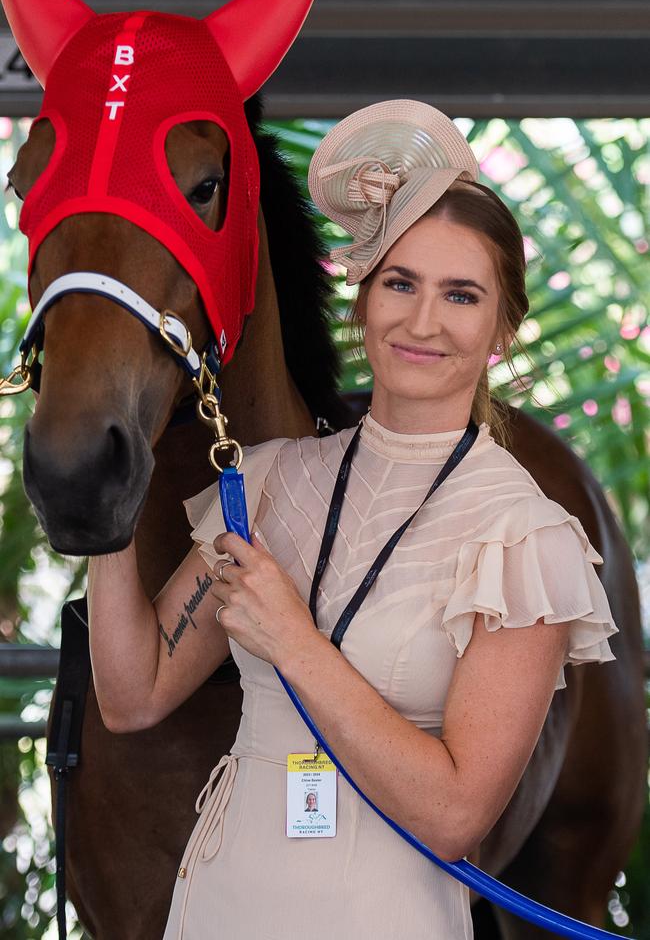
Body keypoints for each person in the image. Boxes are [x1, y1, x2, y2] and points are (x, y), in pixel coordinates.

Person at [87, 100, 616, 940]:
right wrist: (104, 515)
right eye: (399, 284)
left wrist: (293, 640)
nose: (422, 321)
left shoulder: (525, 538)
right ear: (364, 297)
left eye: (462, 295)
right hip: (218, 905)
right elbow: (132, 694)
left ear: (502, 332)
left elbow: (454, 816)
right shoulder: (266, 483)